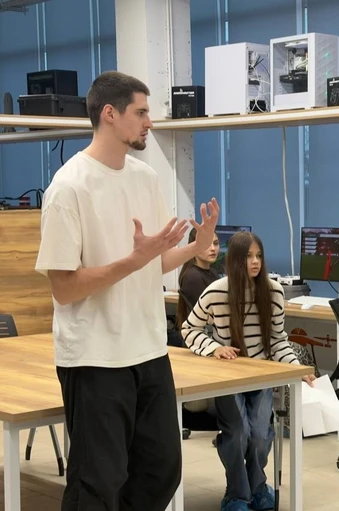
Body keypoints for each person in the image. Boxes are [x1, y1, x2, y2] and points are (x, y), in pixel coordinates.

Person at [35, 70, 220, 511]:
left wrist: (194, 248)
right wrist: (133, 262)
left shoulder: (145, 178)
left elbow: (153, 263)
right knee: (97, 483)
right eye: (141, 112)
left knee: (161, 471)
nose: (149, 122)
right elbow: (64, 288)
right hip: (94, 358)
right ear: (110, 114)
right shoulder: (68, 188)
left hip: (149, 351)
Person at [181, 231, 316, 511]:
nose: (255, 262)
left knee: (260, 436)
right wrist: (214, 348)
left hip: (260, 375)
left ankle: (257, 487)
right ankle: (237, 495)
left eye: (259, 256)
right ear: (234, 260)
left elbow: (277, 340)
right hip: (227, 378)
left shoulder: (273, 291)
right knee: (238, 433)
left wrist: (296, 368)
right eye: (248, 256)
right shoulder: (217, 291)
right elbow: (189, 328)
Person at [176, 228, 220, 329]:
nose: (213, 248)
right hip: (202, 334)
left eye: (216, 243)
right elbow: (211, 314)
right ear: (193, 247)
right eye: (206, 244)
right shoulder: (192, 277)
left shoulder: (212, 272)